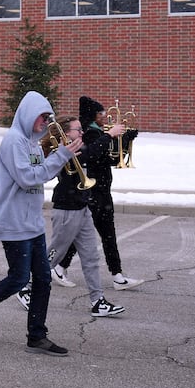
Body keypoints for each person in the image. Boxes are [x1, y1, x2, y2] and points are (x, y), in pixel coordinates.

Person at [0, 91, 77, 357]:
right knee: (19, 278)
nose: (45, 122)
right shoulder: (13, 142)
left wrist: (59, 158)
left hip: (32, 223)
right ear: (28, 114)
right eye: (41, 116)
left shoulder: (34, 143)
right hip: (13, 221)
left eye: (48, 117)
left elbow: (39, 174)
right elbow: (27, 178)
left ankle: (37, 335)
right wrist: (61, 157)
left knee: (43, 279)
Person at [41, 118, 125, 319]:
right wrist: (108, 135)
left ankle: (98, 301)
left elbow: (97, 155)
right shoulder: (60, 150)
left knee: (91, 257)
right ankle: (27, 285)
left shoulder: (78, 146)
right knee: (54, 253)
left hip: (82, 206)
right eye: (78, 129)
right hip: (66, 209)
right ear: (67, 133)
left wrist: (120, 139)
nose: (81, 132)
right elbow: (89, 153)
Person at [54, 97, 139, 290]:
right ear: (93, 115)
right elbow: (92, 155)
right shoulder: (89, 133)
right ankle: (58, 266)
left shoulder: (97, 133)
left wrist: (126, 140)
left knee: (103, 234)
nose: (104, 117)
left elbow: (110, 159)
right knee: (87, 235)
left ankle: (117, 275)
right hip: (92, 191)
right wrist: (111, 137)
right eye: (101, 114)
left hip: (101, 190)